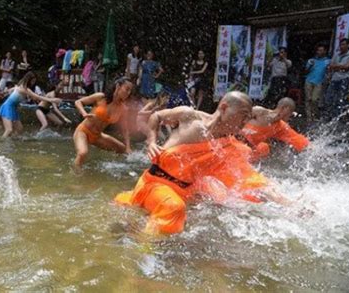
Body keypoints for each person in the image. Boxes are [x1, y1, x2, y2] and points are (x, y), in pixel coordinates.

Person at [114, 92, 290, 235]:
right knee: (174, 207)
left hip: (187, 190)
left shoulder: (228, 143)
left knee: (231, 202)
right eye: (242, 117)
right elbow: (156, 116)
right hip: (156, 184)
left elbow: (249, 176)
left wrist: (284, 202)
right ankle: (143, 251)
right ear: (224, 107)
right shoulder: (190, 117)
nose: (245, 123)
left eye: (248, 118)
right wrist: (152, 141)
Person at [73, 77, 133, 171]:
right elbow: (78, 102)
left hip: (97, 136)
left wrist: (128, 147)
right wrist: (84, 113)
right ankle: (76, 174)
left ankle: (114, 168)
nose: (128, 93)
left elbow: (125, 130)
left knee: (123, 149)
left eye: (130, 91)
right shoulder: (101, 97)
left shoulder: (123, 108)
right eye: (127, 89)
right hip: (83, 131)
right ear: (118, 86)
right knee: (82, 153)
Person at [240, 97, 309, 162]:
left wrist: (312, 148)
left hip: (249, 151)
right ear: (285, 108)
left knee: (263, 148)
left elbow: (297, 139)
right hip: (237, 141)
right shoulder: (259, 112)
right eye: (290, 113)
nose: (290, 117)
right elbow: (235, 119)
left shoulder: (281, 126)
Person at [0, 71, 61, 138]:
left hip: (13, 108)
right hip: (7, 107)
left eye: (34, 81)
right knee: (9, 130)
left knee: (19, 129)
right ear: (28, 80)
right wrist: (52, 100)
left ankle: (11, 140)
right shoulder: (24, 89)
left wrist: (6, 91)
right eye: (32, 81)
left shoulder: (21, 86)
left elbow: (15, 88)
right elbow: (37, 97)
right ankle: (2, 143)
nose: (33, 83)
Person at [324, 38, 349, 119]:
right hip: (334, 79)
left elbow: (347, 67)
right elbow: (330, 66)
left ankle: (338, 118)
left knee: (340, 100)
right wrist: (340, 67)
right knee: (328, 98)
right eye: (340, 44)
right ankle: (328, 116)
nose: (341, 46)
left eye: (343, 44)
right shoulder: (336, 55)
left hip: (344, 79)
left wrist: (336, 66)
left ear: (348, 45)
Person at [303, 44, 330, 123]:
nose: (319, 52)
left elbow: (329, 72)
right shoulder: (311, 60)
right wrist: (310, 66)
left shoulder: (327, 61)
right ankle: (309, 117)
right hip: (308, 80)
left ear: (325, 51)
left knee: (314, 100)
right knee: (308, 99)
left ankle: (315, 115)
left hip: (319, 82)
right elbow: (305, 72)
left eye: (321, 50)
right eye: (318, 50)